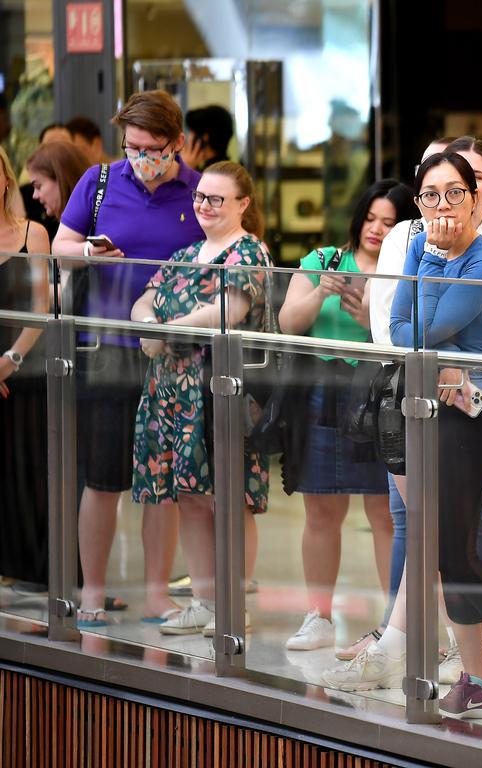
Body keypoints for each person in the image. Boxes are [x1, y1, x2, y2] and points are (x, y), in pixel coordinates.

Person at [323, 151, 482, 721]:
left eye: (454, 193)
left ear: (479, 197)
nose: (442, 206)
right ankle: (481, 678)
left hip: (466, 413)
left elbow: (426, 329)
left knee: (454, 550)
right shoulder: (415, 245)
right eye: (431, 195)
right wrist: (429, 264)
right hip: (419, 404)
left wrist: (430, 267)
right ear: (418, 202)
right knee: (443, 550)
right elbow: (401, 331)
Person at [52, 90, 205, 627]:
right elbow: (59, 245)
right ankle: (92, 588)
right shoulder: (98, 182)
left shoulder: (198, 191)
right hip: (110, 350)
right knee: (104, 477)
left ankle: (158, 592)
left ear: (177, 144)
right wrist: (90, 250)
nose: (142, 158)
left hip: (174, 353)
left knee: (161, 482)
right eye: (133, 147)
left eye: (153, 148)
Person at [130, 161, 271, 636]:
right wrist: (147, 323)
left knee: (230, 500)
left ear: (243, 204)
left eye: (217, 199)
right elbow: (145, 298)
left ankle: (233, 602)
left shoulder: (248, 251)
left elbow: (228, 310)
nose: (204, 206)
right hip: (170, 391)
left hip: (220, 390)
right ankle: (205, 602)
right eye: (200, 198)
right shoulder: (185, 251)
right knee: (189, 498)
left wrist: (168, 330)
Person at [277, 179, 418, 651]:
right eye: (371, 219)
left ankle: (390, 621)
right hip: (322, 390)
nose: (376, 230)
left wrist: (365, 317)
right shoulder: (324, 261)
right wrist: (321, 294)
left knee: (385, 512)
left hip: (378, 392)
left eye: (389, 222)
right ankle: (317, 616)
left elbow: (401, 338)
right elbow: (288, 323)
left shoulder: (405, 270)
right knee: (320, 509)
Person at [0, 145, 51, 586]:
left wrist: (10, 359)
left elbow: (42, 305)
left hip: (25, 364)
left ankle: (30, 571)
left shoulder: (32, 233)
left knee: (28, 467)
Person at [181, 106, 234, 172]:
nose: (188, 138)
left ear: (203, 138)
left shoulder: (210, 176)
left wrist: (186, 170)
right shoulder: (226, 169)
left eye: (192, 132)